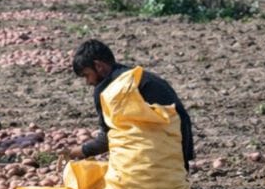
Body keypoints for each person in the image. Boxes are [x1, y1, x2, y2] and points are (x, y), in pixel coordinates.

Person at [68, 39, 194, 170]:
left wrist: (79, 151)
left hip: (157, 154)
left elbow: (107, 139)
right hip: (179, 148)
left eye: (86, 75)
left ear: (98, 66)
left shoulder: (109, 89)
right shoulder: (139, 75)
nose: (87, 82)